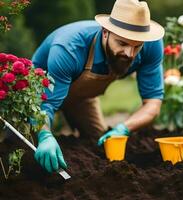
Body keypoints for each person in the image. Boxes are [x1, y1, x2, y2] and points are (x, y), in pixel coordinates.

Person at [32, 0, 165, 173]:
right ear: (105, 33)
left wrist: (124, 127)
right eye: (122, 43)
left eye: (137, 46)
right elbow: (46, 103)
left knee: (97, 143)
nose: (129, 54)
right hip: (38, 97)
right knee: (22, 147)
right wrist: (45, 136)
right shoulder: (69, 48)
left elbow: (153, 104)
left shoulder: (152, 45)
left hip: (82, 98)